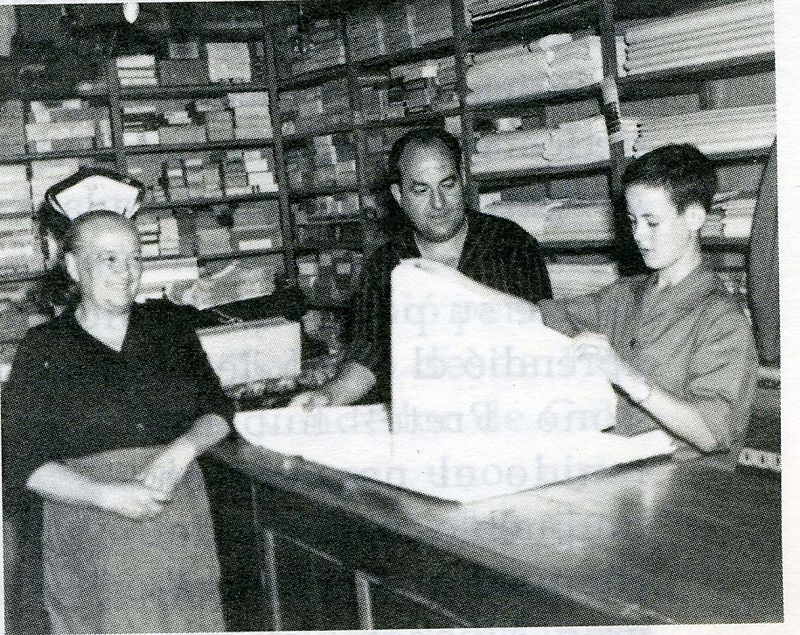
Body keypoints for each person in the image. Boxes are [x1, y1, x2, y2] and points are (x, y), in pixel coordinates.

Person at [415, 144, 759, 466]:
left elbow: (713, 433)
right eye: (632, 221)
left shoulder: (723, 319)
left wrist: (626, 376)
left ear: (694, 217)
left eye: (652, 222)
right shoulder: (625, 295)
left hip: (686, 492)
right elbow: (539, 316)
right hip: (612, 471)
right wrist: (460, 286)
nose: (638, 235)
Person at [2, 195, 233, 631]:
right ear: (73, 268)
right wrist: (105, 496)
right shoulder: (45, 348)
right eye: (108, 259)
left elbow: (217, 410)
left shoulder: (169, 328)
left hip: (176, 518)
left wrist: (180, 451)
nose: (126, 273)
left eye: (134, 258)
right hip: (94, 530)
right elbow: (22, 464)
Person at [290, 127, 552, 407]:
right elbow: (368, 357)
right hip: (423, 413)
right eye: (421, 190)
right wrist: (328, 395)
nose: (438, 203)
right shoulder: (384, 265)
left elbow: (546, 339)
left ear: (462, 181)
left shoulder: (511, 245)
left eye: (447, 185)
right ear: (399, 195)